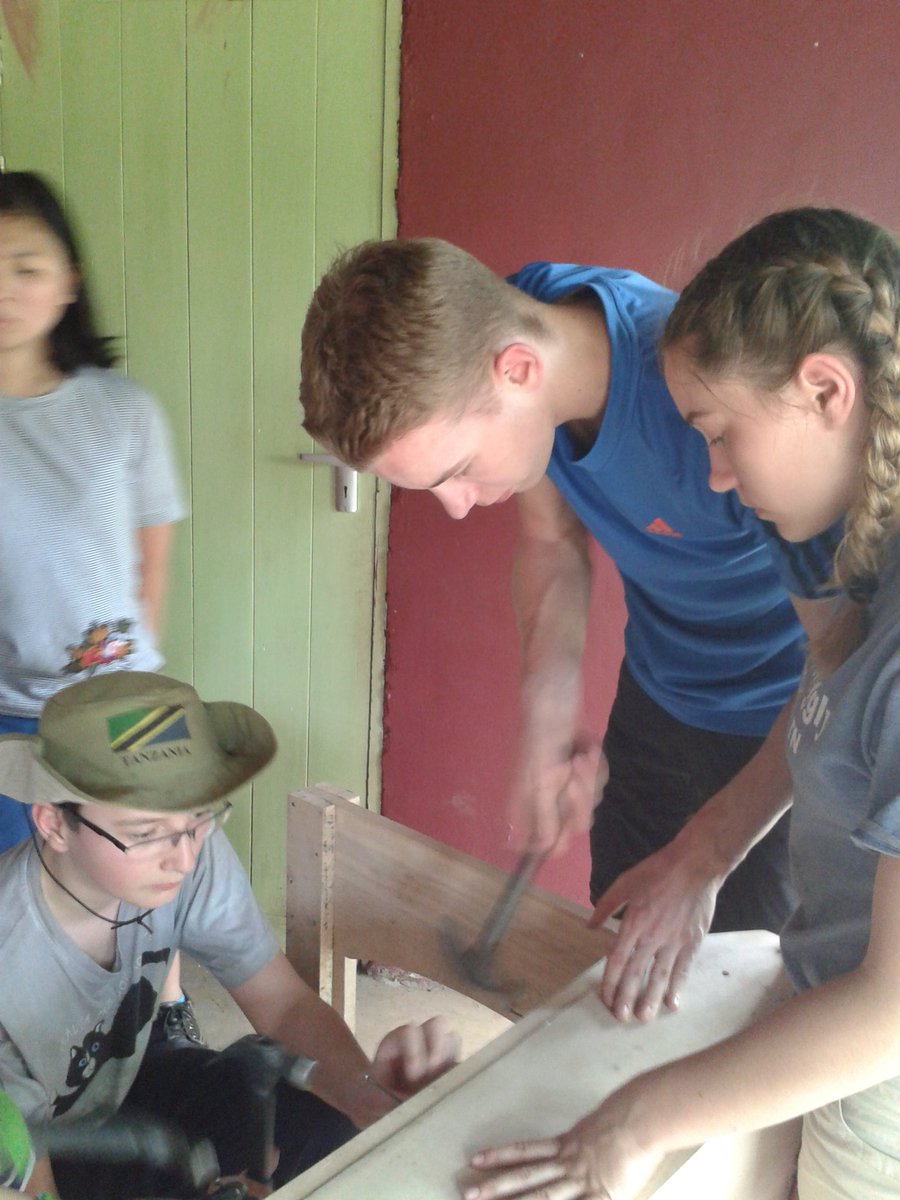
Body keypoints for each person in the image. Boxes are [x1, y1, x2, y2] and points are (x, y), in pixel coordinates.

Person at [461, 207, 900, 1200]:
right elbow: (823, 690)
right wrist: (703, 852)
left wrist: (633, 1120)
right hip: (826, 997)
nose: (714, 475)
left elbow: (888, 1013)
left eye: (719, 433)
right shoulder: (829, 545)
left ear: (826, 390)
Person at [300, 236, 836, 1022]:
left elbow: (840, 662)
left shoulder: (715, 402)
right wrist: (548, 717)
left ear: (516, 371)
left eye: (455, 470)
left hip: (788, 733)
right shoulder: (511, 318)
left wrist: (705, 856)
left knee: (738, 1014)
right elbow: (552, 546)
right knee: (620, 971)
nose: (456, 504)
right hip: (660, 696)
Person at [0, 671, 458, 1199]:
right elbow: (31, 1173)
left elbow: (283, 1004)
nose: (185, 856)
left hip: (134, 1091)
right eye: (146, 834)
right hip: (49, 1151)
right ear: (53, 824)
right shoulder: (12, 957)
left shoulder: (185, 853)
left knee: (328, 1129)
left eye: (198, 818)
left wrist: (364, 1097)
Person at [0, 170, 197, 1048]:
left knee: (141, 877)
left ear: (68, 280)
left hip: (121, 707)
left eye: (26, 265)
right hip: (8, 709)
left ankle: (169, 1019)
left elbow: (151, 565)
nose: (6, 290)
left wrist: (132, 686)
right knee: (19, 898)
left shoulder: (122, 411)